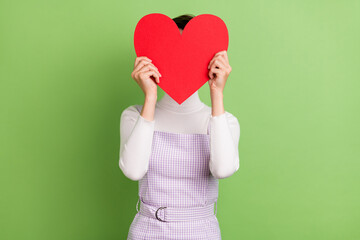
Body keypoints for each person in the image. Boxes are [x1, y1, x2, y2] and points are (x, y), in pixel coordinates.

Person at [119, 14, 240, 240]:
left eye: (192, 54)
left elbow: (223, 170)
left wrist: (217, 93)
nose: (181, 62)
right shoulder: (134, 116)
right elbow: (133, 170)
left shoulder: (223, 120)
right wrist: (150, 97)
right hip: (147, 230)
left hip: (201, 232)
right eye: (172, 53)